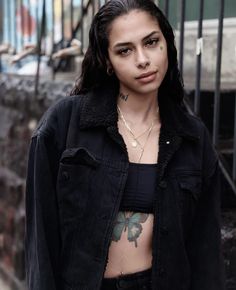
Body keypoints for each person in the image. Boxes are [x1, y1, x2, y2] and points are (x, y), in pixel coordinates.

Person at [25, 0, 226, 289]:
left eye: (152, 42)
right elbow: (40, 242)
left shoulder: (192, 138)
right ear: (107, 61)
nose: (143, 59)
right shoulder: (65, 123)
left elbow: (205, 252)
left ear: (167, 44)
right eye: (125, 50)